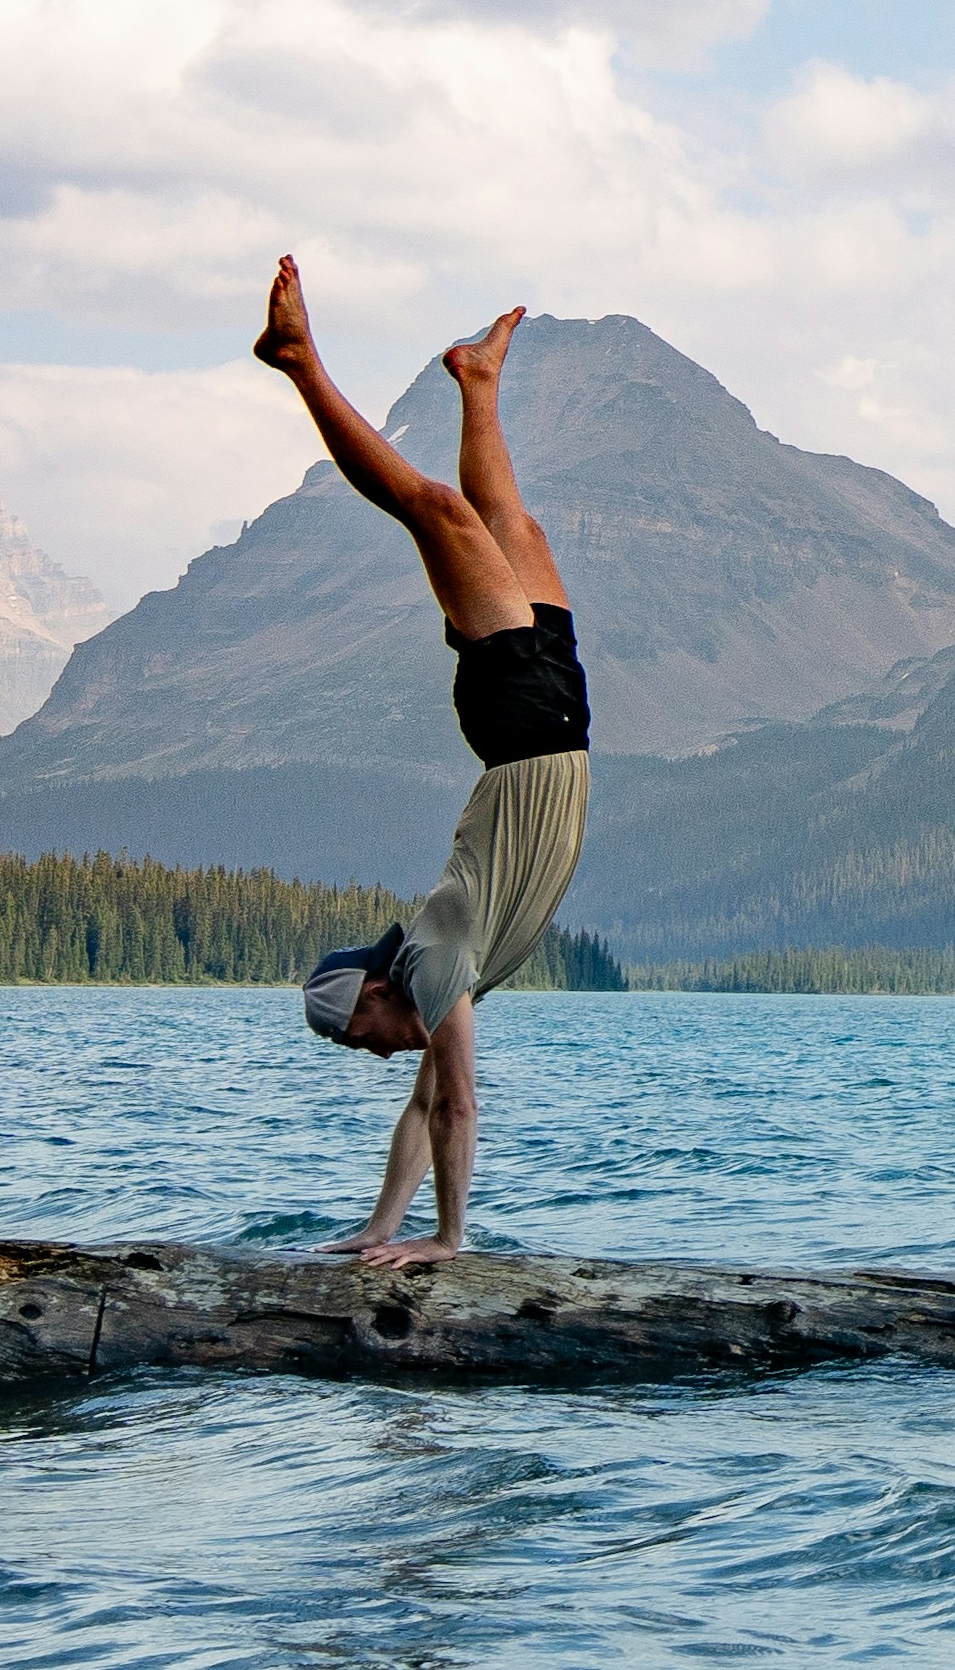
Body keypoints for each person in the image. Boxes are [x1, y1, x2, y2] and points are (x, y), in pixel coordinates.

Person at [253, 259, 590, 1271]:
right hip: (548, 722)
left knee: (440, 514)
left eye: (367, 1040)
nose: (385, 1054)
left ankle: (300, 363)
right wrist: (383, 1229)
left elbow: (457, 1106)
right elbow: (428, 1106)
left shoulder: (434, 967)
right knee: (510, 527)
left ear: (368, 996)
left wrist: (446, 1240)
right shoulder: (446, 981)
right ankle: (476, 383)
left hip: (524, 728)